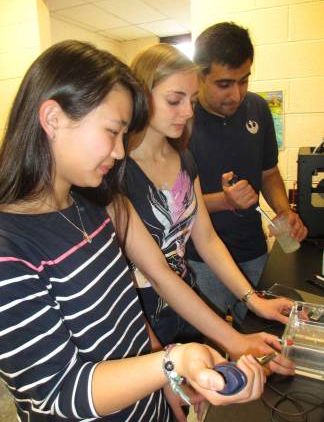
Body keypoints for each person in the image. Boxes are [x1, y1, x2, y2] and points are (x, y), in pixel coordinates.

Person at [0, 40, 267, 422]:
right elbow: (60, 391)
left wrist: (164, 379)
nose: (120, 152)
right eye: (112, 131)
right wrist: (171, 363)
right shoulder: (9, 247)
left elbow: (127, 311)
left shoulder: (90, 206)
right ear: (53, 118)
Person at [120, 43, 295, 372]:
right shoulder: (117, 169)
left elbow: (207, 238)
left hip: (184, 305)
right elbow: (155, 273)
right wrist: (233, 339)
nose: (188, 112)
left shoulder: (184, 157)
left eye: (192, 100)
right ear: (141, 95)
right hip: (138, 320)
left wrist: (251, 299)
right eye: (175, 100)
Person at [187, 22, 308, 321]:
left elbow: (268, 173)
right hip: (200, 260)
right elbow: (171, 204)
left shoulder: (258, 109)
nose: (237, 94)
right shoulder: (181, 120)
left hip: (253, 252)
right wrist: (223, 201)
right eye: (224, 84)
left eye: (244, 81)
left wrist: (283, 211)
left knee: (259, 335)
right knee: (209, 347)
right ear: (200, 76)